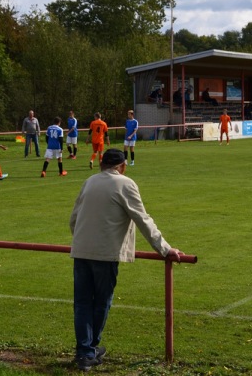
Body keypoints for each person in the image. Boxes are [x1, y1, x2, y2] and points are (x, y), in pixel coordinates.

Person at [69, 148, 182, 372]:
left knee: (82, 303)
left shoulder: (89, 181)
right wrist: (164, 249)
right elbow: (143, 219)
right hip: (104, 254)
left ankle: (85, 351)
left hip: (81, 250)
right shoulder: (126, 184)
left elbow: (74, 218)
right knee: (101, 302)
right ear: (122, 166)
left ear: (102, 164)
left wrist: (83, 240)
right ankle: (88, 350)